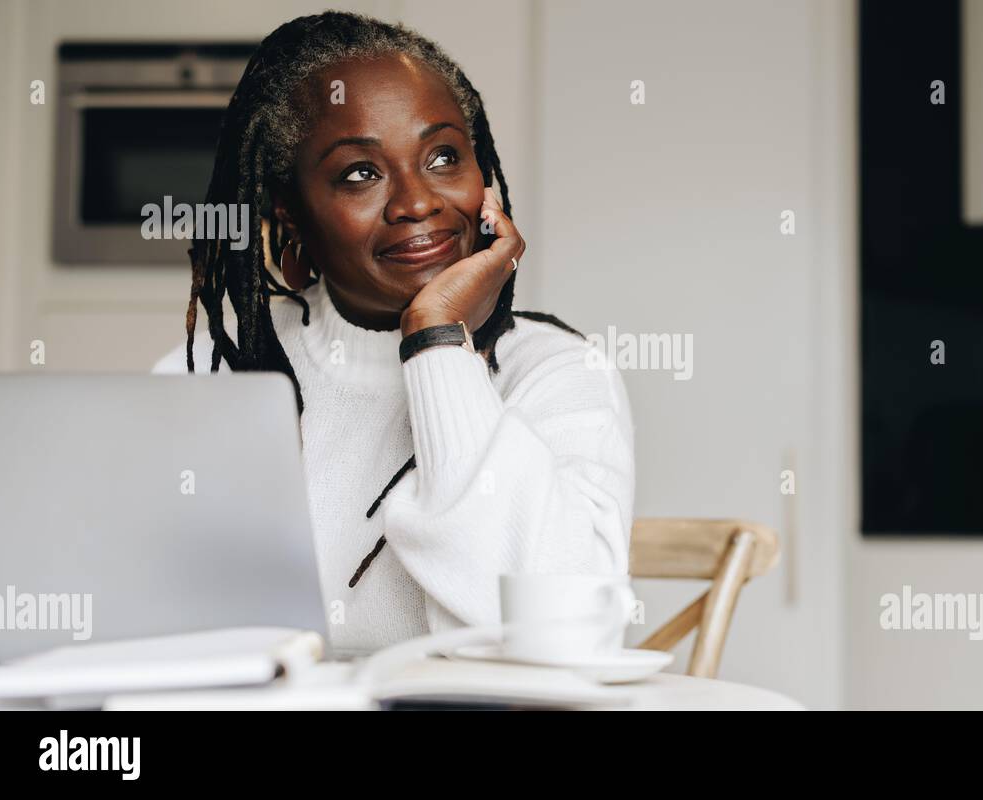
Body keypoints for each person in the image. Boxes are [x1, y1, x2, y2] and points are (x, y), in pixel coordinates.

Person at [153, 11, 635, 656]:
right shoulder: (214, 370)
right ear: (288, 212)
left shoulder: (556, 373)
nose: (417, 202)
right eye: (360, 173)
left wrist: (437, 342)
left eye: (442, 156)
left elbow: (563, 640)